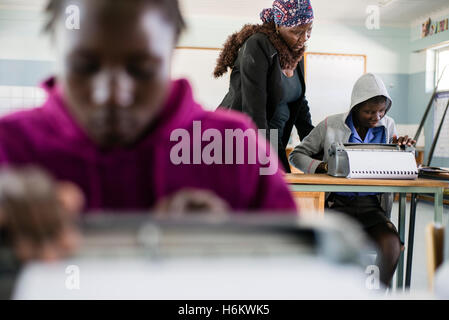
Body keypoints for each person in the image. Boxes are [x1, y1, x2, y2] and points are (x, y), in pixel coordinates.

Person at [0, 0, 297, 262]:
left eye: (141, 69)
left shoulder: (235, 148)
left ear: (171, 51)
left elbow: (294, 275)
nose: (112, 95)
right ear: (57, 49)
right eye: (84, 66)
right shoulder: (10, 145)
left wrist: (227, 248)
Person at [289, 73, 416, 285]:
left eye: (381, 111)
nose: (376, 117)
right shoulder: (331, 125)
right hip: (336, 206)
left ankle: (376, 295)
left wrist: (406, 149)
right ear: (355, 107)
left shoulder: (389, 126)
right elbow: (297, 154)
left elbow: (399, 164)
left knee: (391, 244)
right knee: (323, 246)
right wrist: (321, 167)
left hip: (372, 208)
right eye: (369, 112)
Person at [214, 0, 315, 173]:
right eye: (297, 31)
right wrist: (265, 160)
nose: (305, 37)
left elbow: (299, 103)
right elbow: (254, 111)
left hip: (273, 138)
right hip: (239, 139)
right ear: (278, 26)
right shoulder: (258, 45)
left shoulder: (296, 54)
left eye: (309, 29)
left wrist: (316, 145)